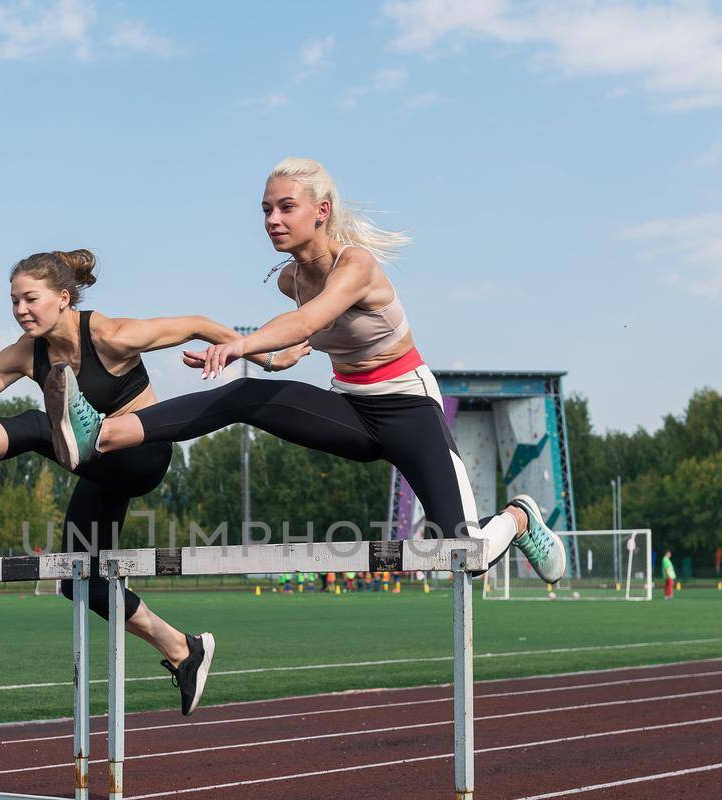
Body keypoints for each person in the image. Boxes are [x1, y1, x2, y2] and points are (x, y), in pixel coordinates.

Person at [43, 158, 566, 588]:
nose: (272, 218)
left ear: (322, 211)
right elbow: (299, 341)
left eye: (285, 207)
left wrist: (239, 343)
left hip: (408, 409)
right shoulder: (289, 280)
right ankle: (105, 433)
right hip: (352, 410)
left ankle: (519, 517)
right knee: (243, 395)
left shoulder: (356, 265)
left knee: (465, 556)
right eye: (266, 209)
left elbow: (309, 320)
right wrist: (256, 355)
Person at [0, 249, 238, 716]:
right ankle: (184, 650)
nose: (21, 311)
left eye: (30, 300)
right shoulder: (24, 354)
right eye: (14, 302)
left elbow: (198, 323)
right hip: (97, 470)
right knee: (80, 579)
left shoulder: (111, 334)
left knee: (39, 427)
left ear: (63, 297)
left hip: (143, 454)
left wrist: (267, 351)